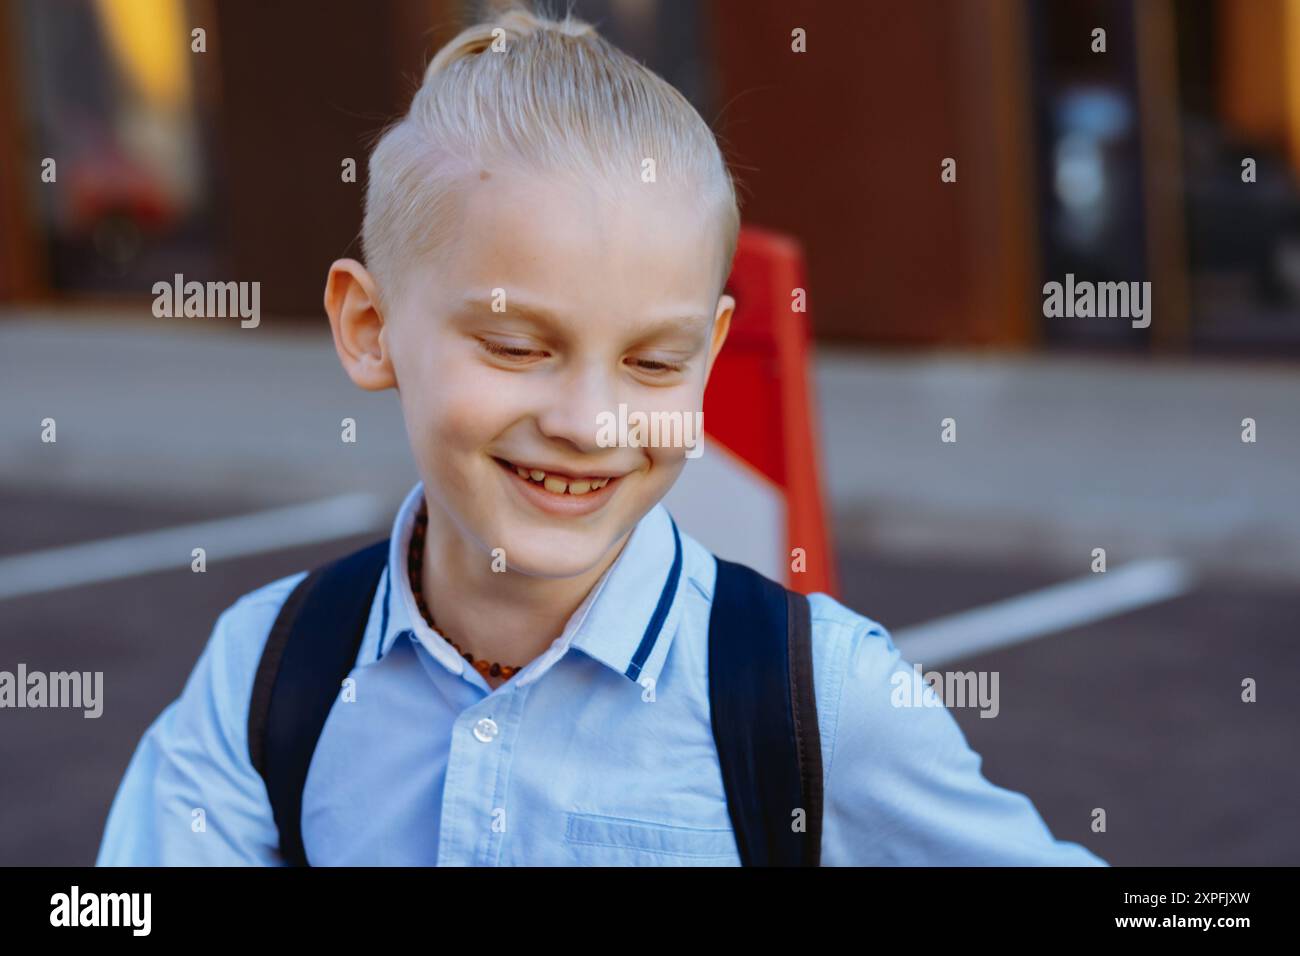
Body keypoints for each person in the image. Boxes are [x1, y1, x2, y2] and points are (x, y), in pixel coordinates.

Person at [96, 2, 1107, 867]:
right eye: (514, 345)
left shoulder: (815, 699)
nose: (589, 421)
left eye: (653, 362)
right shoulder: (269, 671)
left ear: (711, 358)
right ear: (368, 329)